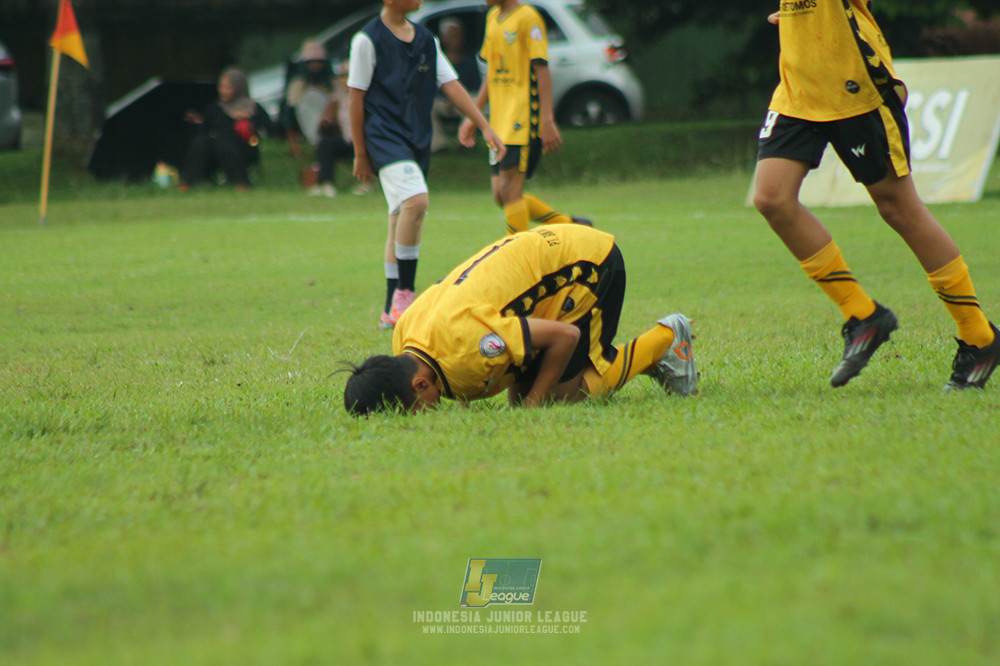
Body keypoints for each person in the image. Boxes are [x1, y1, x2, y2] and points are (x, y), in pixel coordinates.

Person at [752, 1, 999, 390]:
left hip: (854, 82)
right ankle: (863, 316)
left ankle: (979, 337)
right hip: (798, 86)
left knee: (900, 208)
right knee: (772, 198)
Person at [343, 224, 698, 416]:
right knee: (524, 391)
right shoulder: (405, 336)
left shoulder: (469, 348)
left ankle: (666, 339)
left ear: (420, 385)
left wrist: (532, 408)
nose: (425, 418)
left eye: (415, 414)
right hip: (547, 256)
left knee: (560, 398)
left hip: (588, 266)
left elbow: (564, 336)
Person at [348, 0, 506, 330]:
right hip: (383, 137)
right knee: (416, 202)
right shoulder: (367, 40)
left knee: (398, 218)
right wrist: (361, 153)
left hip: (415, 138)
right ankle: (405, 292)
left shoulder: (426, 40)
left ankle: (391, 309)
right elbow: (356, 99)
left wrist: (483, 125)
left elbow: (451, 86)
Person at [458, 0, 580, 236]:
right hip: (498, 120)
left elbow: (542, 71)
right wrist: (474, 116)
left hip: (521, 117)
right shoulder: (493, 17)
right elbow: (491, 73)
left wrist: (547, 120)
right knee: (500, 194)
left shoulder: (528, 18)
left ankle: (514, 252)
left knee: (510, 189)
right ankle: (571, 227)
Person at [180, 67, 275, 192]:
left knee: (223, 141)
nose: (223, 91)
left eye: (228, 87)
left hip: (243, 148)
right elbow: (204, 128)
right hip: (217, 148)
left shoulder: (252, 108)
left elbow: (272, 129)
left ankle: (241, 183)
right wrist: (196, 122)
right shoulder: (215, 108)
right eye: (222, 87)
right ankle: (188, 182)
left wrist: (251, 121)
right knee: (203, 141)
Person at [430, 18, 481, 152]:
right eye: (451, 36)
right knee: (427, 103)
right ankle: (438, 145)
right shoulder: (437, 61)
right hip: (442, 101)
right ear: (444, 38)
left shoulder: (469, 62)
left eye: (458, 36)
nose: (455, 40)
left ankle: (465, 141)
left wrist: (458, 100)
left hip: (462, 101)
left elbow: (476, 86)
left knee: (474, 101)